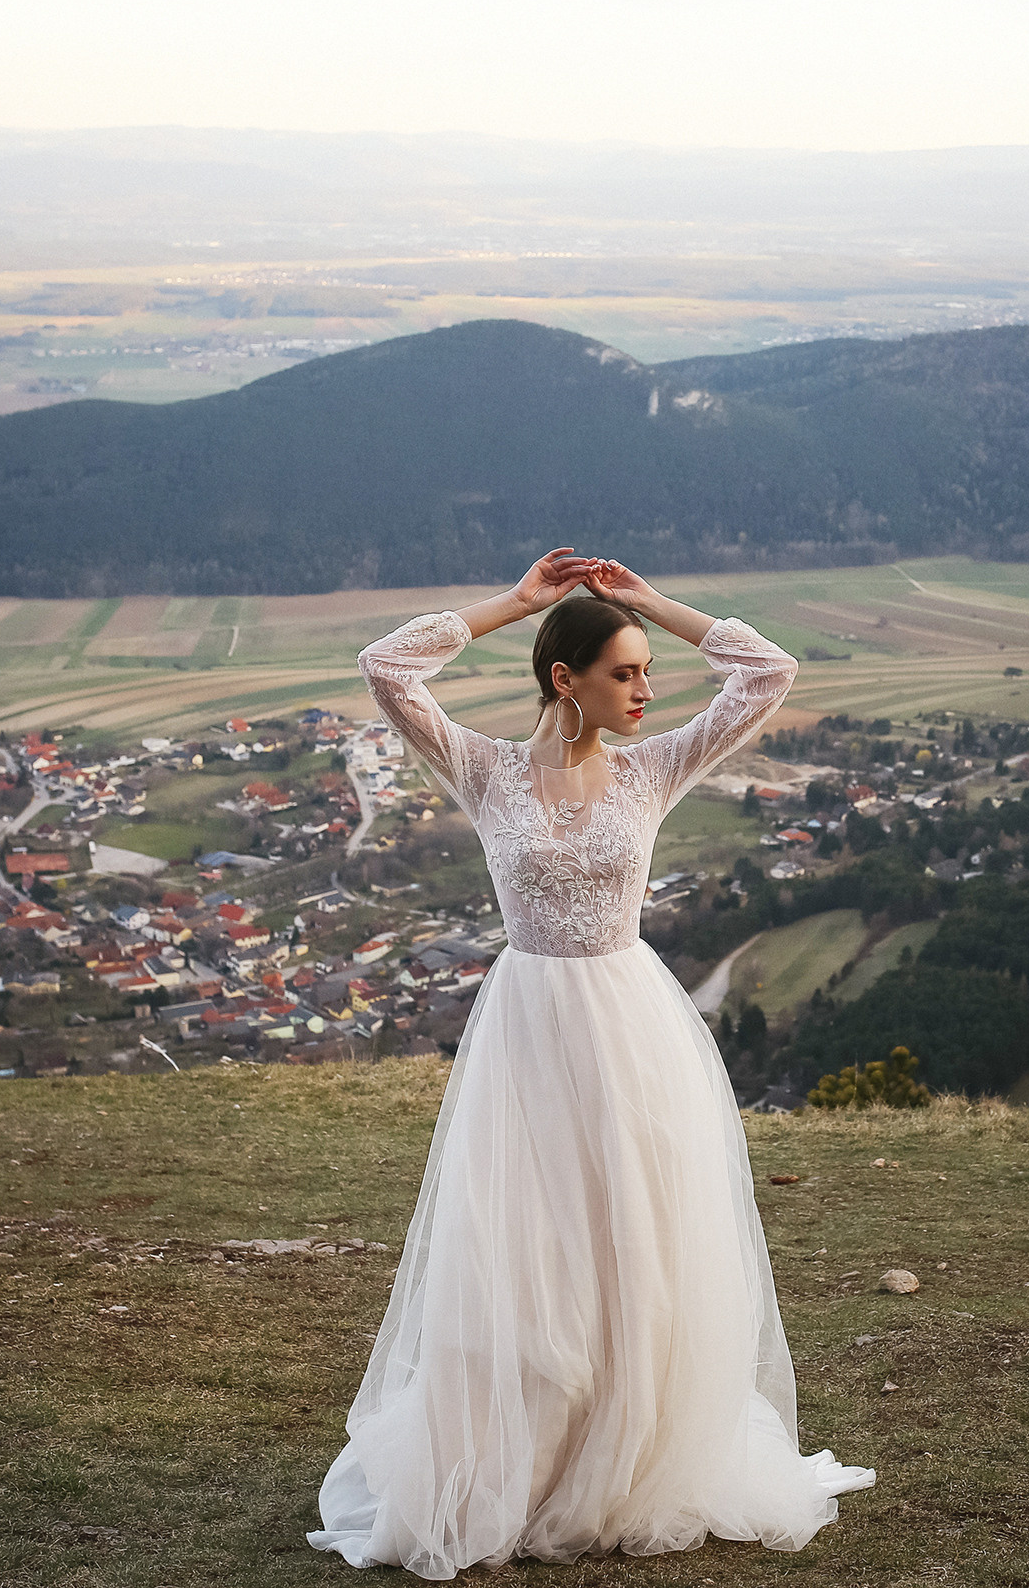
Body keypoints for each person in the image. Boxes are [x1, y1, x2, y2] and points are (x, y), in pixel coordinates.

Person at [308, 549, 875, 1579]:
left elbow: (769, 671)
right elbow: (388, 667)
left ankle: (629, 1450)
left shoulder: (655, 768)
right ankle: (526, 1455)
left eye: (647, 671)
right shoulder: (482, 769)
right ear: (563, 679)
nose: (646, 690)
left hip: (629, 1025)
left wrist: (645, 604)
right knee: (526, 1242)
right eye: (624, 671)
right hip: (527, 1025)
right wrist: (512, 607)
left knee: (633, 1239)